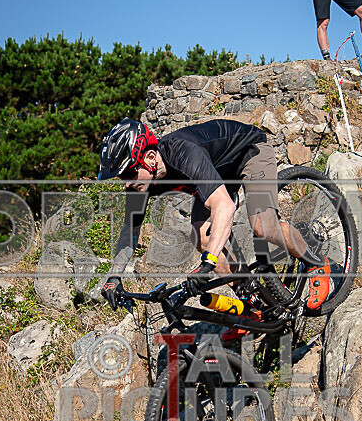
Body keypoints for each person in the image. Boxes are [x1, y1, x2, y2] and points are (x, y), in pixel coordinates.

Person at [99, 118, 331, 341]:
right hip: (217, 174)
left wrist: (208, 263)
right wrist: (114, 276)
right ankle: (251, 303)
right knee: (200, 235)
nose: (126, 183)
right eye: (121, 178)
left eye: (129, 173)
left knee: (262, 224)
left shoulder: (182, 152)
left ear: (150, 158)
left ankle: (316, 263)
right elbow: (129, 233)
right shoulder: (140, 186)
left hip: (249, 153)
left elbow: (224, 206)